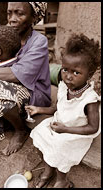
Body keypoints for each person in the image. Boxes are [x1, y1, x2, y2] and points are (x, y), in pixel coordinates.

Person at [25, 33, 101, 188]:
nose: (68, 76)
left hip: (77, 132)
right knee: (40, 133)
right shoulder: (63, 87)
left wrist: (65, 129)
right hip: (60, 125)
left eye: (76, 72)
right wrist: (38, 109)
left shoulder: (89, 100)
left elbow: (93, 127)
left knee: (60, 146)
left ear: (90, 74)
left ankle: (62, 180)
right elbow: (57, 108)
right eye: (65, 69)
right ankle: (48, 170)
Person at [0, 2, 51, 156]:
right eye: (9, 13)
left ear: (35, 17)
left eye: (19, 13)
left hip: (35, 94)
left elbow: (16, 75)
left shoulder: (39, 42)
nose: (12, 19)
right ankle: (2, 121)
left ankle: (20, 130)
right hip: (12, 90)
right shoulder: (6, 36)